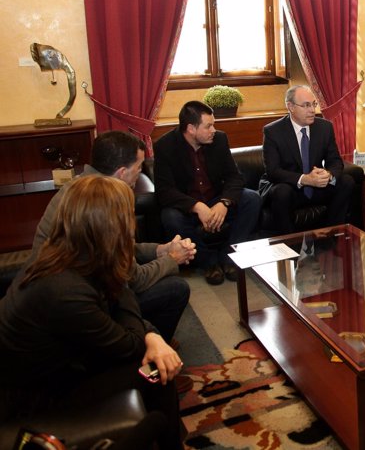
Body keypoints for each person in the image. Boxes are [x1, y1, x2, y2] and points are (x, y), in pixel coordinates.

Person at [0, 176, 185, 449]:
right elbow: (130, 344)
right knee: (156, 370)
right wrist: (149, 335)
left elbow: (114, 316)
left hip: (57, 366)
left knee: (156, 362)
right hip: (38, 397)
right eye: (128, 217)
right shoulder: (65, 290)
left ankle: (168, 436)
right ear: (112, 227)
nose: (132, 225)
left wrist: (153, 337)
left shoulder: (65, 254)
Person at [31, 130, 195, 345]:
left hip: (50, 291)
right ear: (121, 173)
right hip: (78, 302)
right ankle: (149, 354)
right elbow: (134, 280)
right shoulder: (107, 205)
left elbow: (122, 249)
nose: (140, 173)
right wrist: (172, 259)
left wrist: (161, 250)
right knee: (176, 288)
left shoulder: (79, 187)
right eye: (139, 168)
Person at [154, 100, 261, 285]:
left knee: (252, 198)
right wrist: (196, 207)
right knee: (169, 217)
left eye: (214, 125)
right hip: (187, 207)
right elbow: (164, 191)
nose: (213, 130)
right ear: (191, 129)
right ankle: (209, 262)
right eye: (208, 126)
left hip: (216, 199)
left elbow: (234, 177)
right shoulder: (165, 146)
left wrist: (224, 202)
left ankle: (229, 256)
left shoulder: (219, 139)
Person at [258, 85, 354, 235]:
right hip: (292, 188)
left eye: (314, 104)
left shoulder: (325, 127)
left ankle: (331, 232)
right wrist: (306, 179)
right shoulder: (273, 131)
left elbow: (335, 161)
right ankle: (290, 242)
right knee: (281, 192)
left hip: (317, 187)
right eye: (306, 105)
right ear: (290, 107)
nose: (312, 110)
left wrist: (327, 174)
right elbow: (273, 172)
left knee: (346, 181)